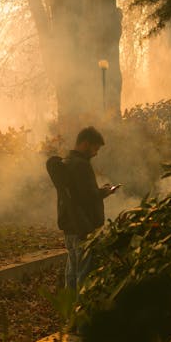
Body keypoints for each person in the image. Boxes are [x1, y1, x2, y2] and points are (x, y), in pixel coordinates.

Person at [46, 126, 117, 294]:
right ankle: (81, 309)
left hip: (70, 225)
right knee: (84, 272)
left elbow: (77, 195)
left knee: (72, 270)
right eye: (95, 148)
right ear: (85, 144)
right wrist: (105, 192)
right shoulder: (81, 165)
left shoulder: (67, 161)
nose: (96, 153)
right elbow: (87, 197)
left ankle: (69, 306)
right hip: (83, 226)